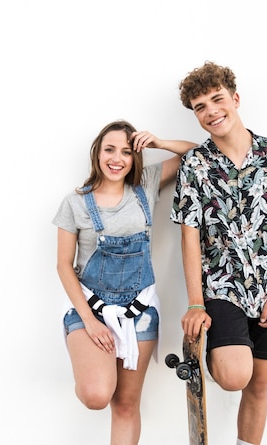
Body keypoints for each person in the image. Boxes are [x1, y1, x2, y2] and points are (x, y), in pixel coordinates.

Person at [170, 61, 267, 445]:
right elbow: (189, 235)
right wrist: (196, 301)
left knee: (259, 385)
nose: (211, 111)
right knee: (235, 377)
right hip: (221, 287)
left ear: (235, 98)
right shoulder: (196, 163)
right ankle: (215, 355)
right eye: (200, 107)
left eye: (217, 99)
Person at [53, 119, 196, 445]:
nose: (117, 158)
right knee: (97, 394)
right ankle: (89, 366)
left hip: (140, 308)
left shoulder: (146, 184)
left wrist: (158, 140)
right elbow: (63, 266)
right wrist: (90, 322)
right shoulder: (75, 202)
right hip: (90, 308)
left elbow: (198, 153)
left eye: (127, 152)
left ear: (136, 158)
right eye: (110, 149)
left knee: (127, 403)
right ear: (97, 153)